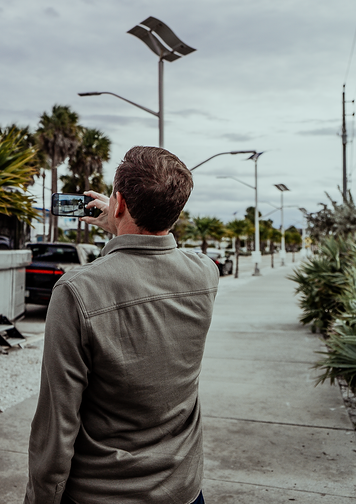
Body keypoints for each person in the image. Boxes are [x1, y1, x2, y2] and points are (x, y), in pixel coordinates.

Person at [24, 146, 219, 504]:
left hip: (104, 494)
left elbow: (57, 424)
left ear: (119, 203)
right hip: (184, 491)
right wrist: (123, 222)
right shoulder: (205, 274)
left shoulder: (77, 291)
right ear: (176, 210)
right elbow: (158, 254)